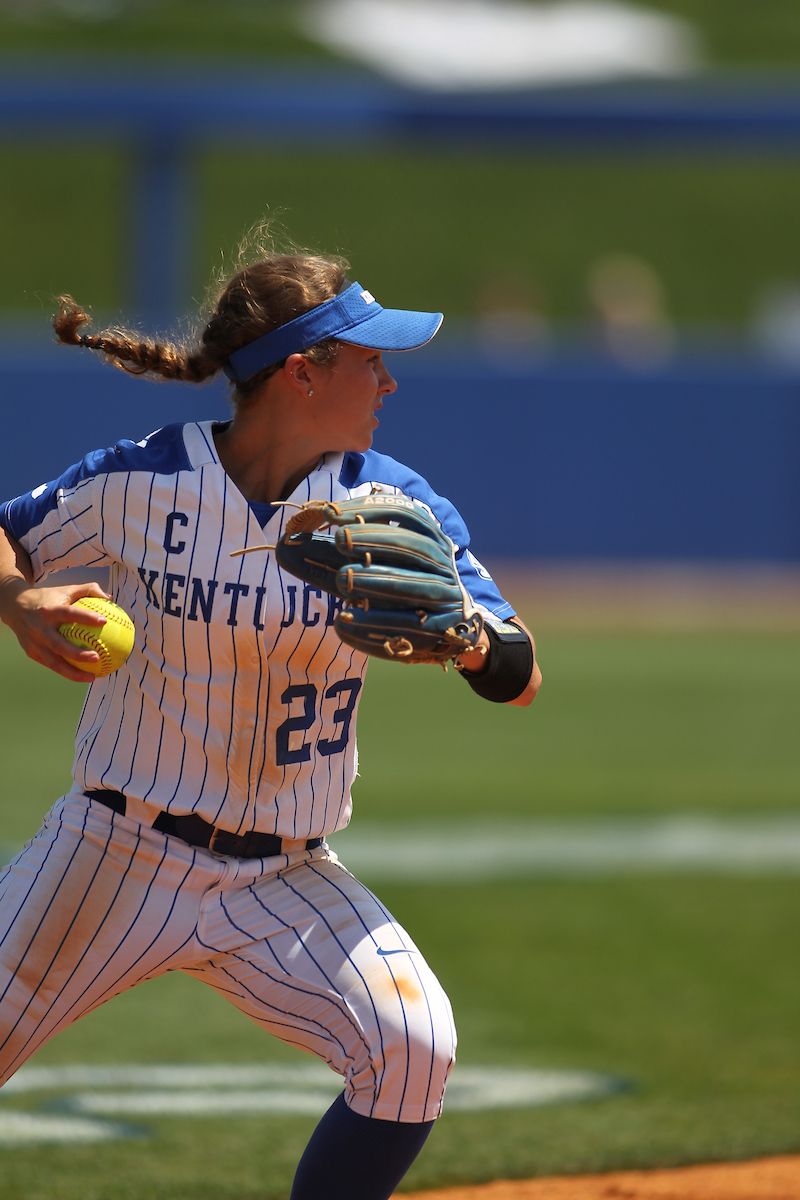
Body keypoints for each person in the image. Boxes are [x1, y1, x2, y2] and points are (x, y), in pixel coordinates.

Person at [0, 246, 541, 1199]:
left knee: (414, 1050)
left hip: (285, 877)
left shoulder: (392, 504)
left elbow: (520, 673)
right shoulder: (143, 482)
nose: (389, 377)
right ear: (302, 373)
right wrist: (16, 599)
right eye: (368, 358)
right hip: (111, 856)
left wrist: (461, 637)